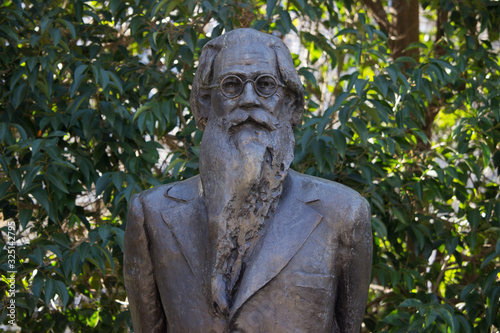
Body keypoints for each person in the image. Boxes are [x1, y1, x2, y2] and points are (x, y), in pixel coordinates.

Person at [124, 28, 372, 333]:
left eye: (266, 85)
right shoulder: (151, 215)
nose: (249, 100)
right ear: (204, 103)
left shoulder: (344, 214)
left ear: (290, 103)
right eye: (232, 85)